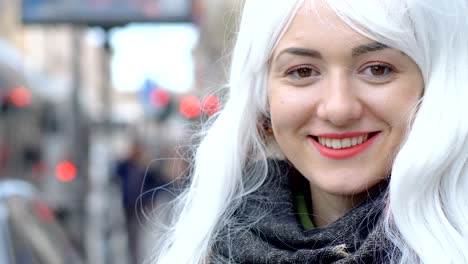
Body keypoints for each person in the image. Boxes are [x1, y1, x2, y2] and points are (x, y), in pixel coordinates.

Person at [151, 0, 468, 263]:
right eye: (302, 71)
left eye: (377, 69)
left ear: (434, 86)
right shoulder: (209, 251)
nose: (338, 109)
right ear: (264, 100)